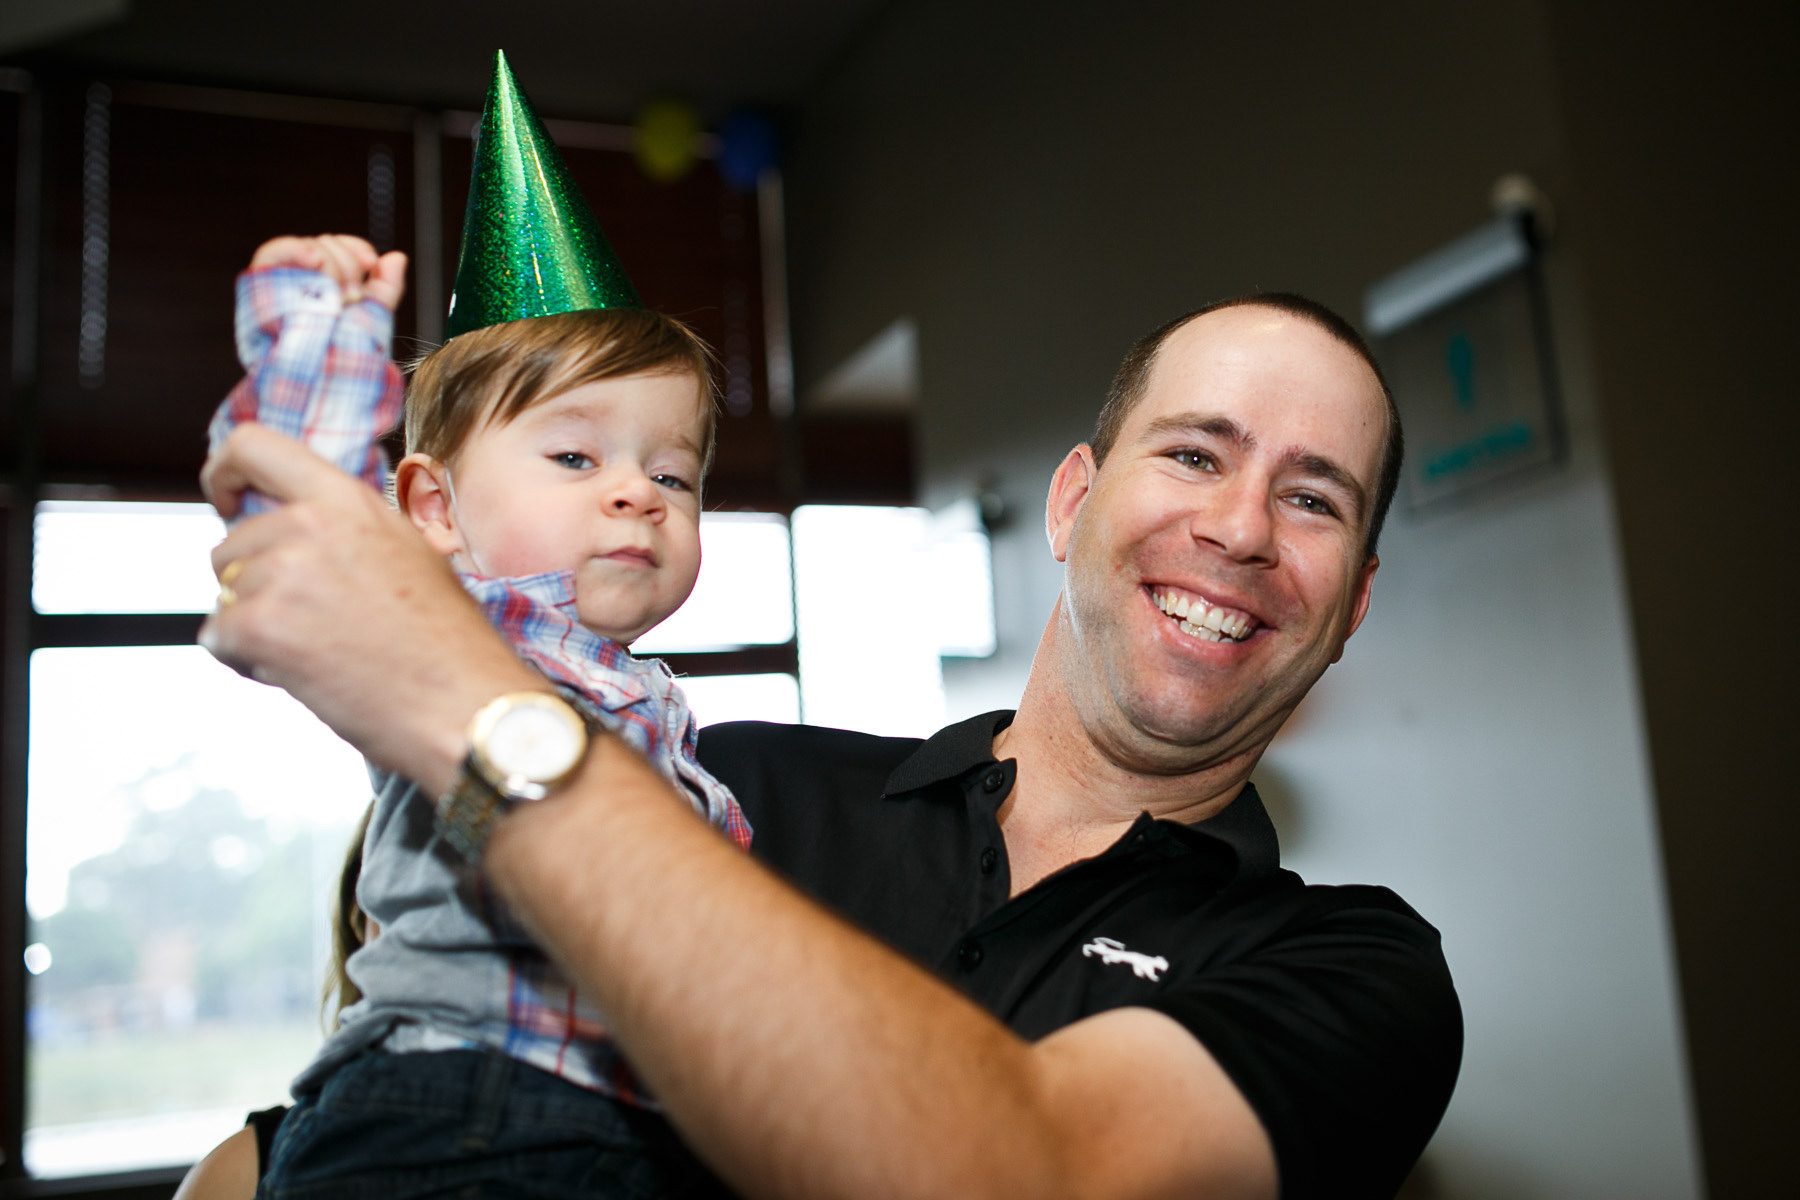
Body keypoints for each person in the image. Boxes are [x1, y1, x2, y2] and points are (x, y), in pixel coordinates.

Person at [201, 289, 1461, 1199]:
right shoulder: (728, 787)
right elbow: (350, 1110)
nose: (1241, 530)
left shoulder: (1358, 977)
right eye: (1193, 454)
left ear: (1352, 602)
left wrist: (470, 702)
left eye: (1312, 499)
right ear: (1073, 502)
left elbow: (1034, 1170)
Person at [202, 55, 754, 1192]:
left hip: (619, 1117)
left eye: (674, 474)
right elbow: (300, 511)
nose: (639, 492)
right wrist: (319, 331)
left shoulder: (657, 702)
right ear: (433, 510)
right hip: (464, 1104)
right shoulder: (460, 625)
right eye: (575, 456)